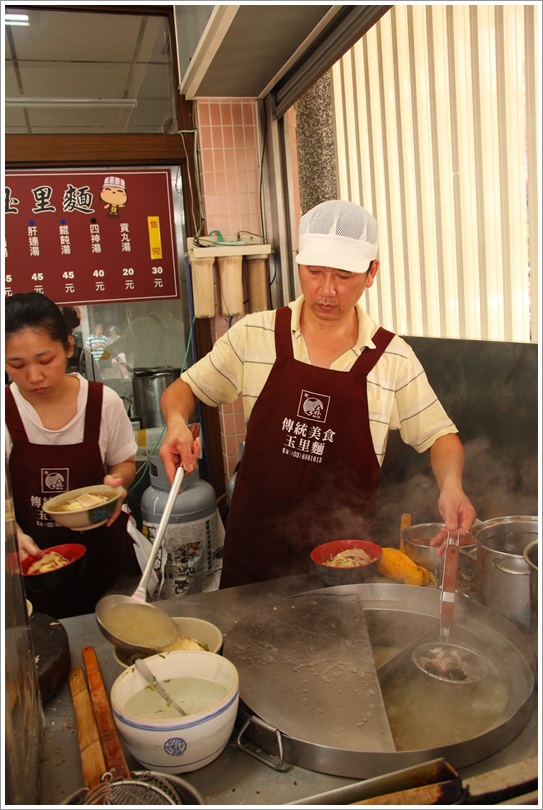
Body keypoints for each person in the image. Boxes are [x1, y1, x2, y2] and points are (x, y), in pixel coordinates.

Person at [159, 200, 476, 588]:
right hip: (253, 560)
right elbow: (185, 388)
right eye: (314, 272)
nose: (327, 290)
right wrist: (176, 422)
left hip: (345, 566)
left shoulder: (393, 359)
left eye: (344, 276)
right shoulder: (255, 334)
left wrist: (452, 486)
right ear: (297, 261)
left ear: (372, 272)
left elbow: (440, 437)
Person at [5, 292, 141, 617]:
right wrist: (11, 534)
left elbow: (124, 463)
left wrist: (117, 483)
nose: (34, 376)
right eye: (16, 365)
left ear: (68, 346)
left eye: (45, 360)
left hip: (107, 561)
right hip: (36, 565)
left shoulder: (102, 402)